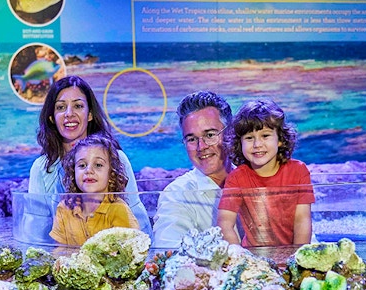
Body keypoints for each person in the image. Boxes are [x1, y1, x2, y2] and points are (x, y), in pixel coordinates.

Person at [26, 75, 148, 241]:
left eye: (78, 106)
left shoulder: (117, 158)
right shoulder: (41, 168)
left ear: (89, 114)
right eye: (61, 107)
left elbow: (138, 221)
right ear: (51, 118)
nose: (69, 114)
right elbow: (35, 232)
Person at [217, 99, 314, 247]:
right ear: (239, 143)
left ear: (280, 139)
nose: (257, 144)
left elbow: (302, 219)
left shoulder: (299, 171)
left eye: (265, 136)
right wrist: (239, 258)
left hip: (292, 255)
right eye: (249, 138)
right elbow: (225, 223)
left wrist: (296, 259)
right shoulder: (236, 178)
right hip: (253, 258)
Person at [152, 91, 233, 248]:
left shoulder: (255, 178)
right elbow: (168, 253)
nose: (201, 147)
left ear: (230, 133)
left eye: (210, 135)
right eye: (191, 139)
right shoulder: (175, 195)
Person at [50, 133, 139, 246]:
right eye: (82, 165)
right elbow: (59, 249)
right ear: (73, 172)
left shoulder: (119, 209)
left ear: (111, 173)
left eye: (98, 165)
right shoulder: (64, 208)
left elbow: (131, 252)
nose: (89, 170)